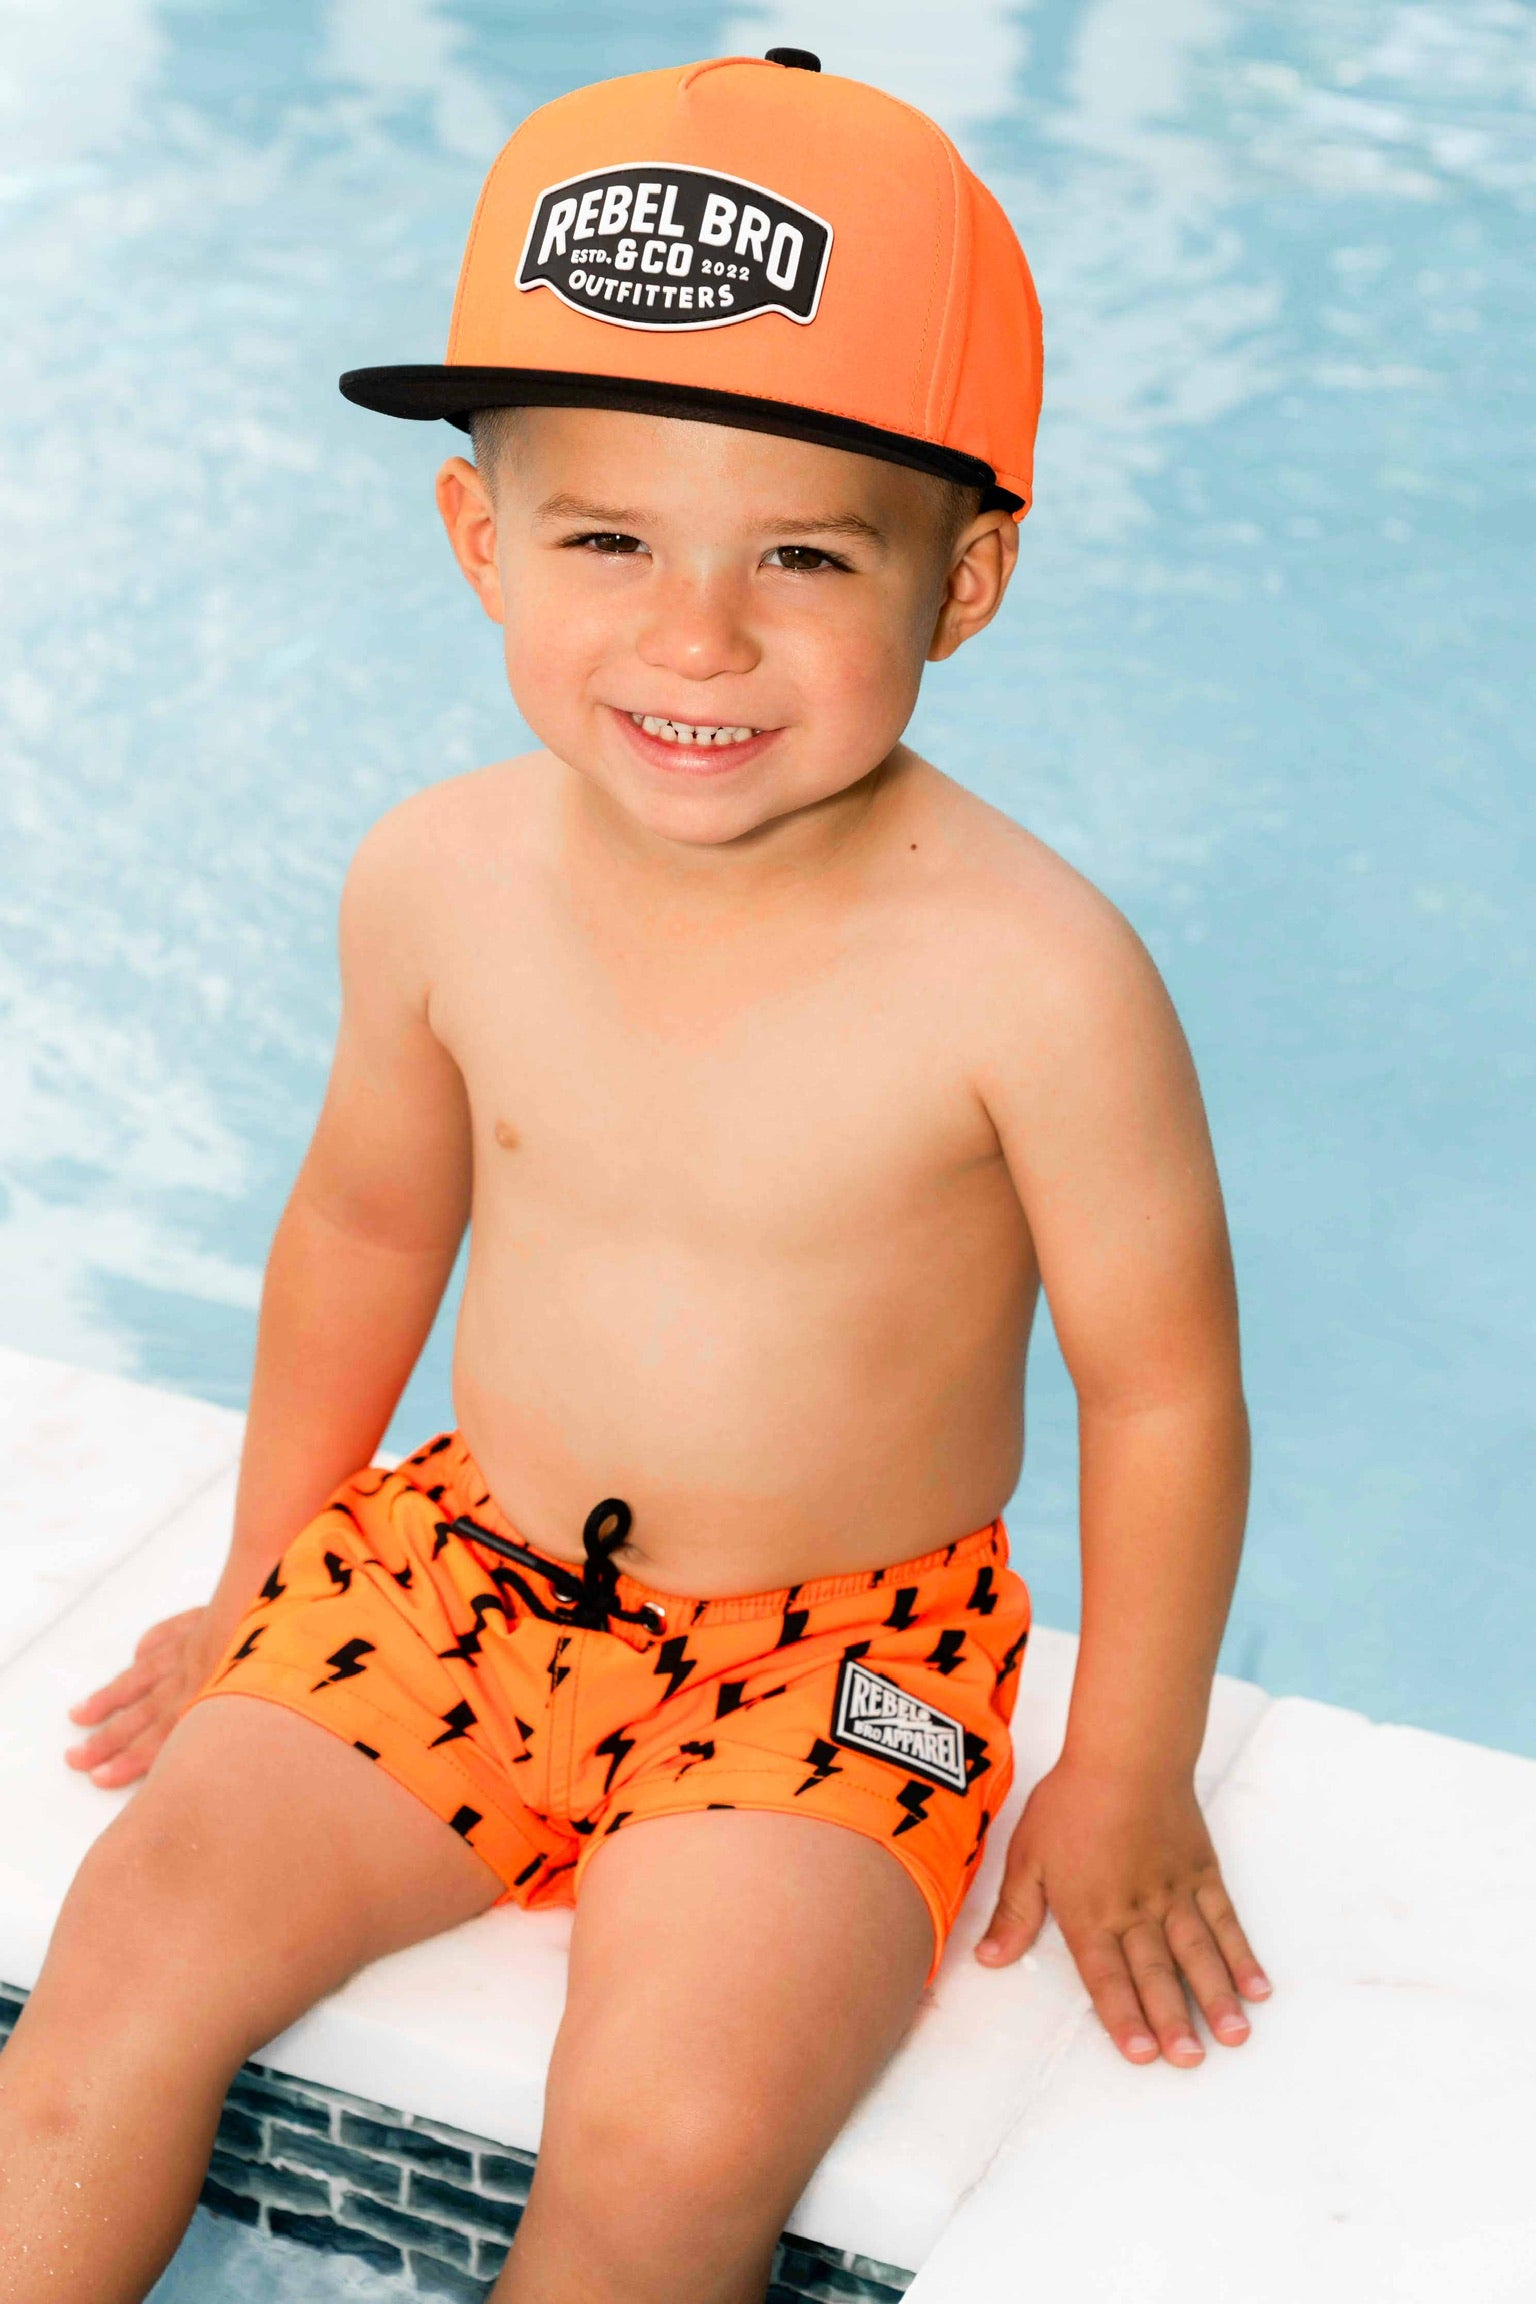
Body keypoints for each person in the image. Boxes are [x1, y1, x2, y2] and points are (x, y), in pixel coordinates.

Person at [0, 49, 1268, 2304]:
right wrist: (270, 1571)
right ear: (480, 540)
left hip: (838, 1664)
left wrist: (1129, 1767)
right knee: (122, 1965)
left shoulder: (1038, 977)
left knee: (670, 2146)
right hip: (456, 1571)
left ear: (965, 580)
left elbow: (1160, 1387)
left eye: (805, 554)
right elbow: (367, 1229)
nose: (699, 637)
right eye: (610, 540)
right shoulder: (437, 878)